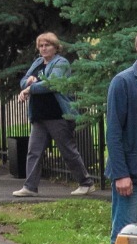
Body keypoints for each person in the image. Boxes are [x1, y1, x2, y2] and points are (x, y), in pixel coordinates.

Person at [13, 32, 95, 197]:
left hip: (57, 115)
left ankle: (86, 183)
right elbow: (23, 81)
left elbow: (52, 84)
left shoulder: (61, 63)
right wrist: (28, 82)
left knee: (67, 151)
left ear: (55, 47)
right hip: (39, 115)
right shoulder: (37, 63)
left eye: (47, 45)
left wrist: (30, 88)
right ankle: (30, 187)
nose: (44, 48)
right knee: (33, 152)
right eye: (41, 46)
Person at [106, 27, 137, 240]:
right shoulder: (123, 82)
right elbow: (114, 132)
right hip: (130, 176)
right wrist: (120, 174)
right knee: (124, 237)